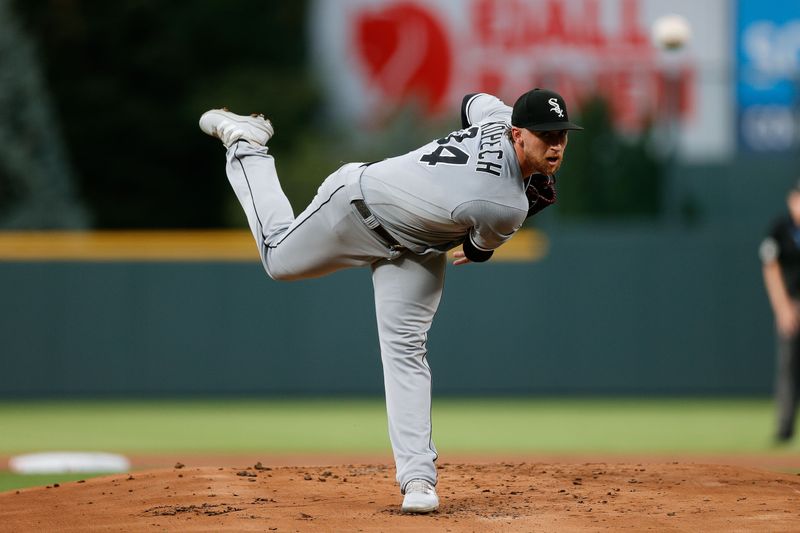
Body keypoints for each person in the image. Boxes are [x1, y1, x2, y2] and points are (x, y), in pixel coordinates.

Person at [199, 88, 583, 513]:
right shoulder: (504, 204)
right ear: (518, 134)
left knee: (406, 351)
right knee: (277, 260)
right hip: (356, 207)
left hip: (417, 248)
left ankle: (417, 479)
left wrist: (477, 148)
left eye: (562, 134)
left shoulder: (496, 119)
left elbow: (472, 99)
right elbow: (476, 249)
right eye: (545, 135)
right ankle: (247, 145)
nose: (556, 144)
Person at [760, 180, 800, 444]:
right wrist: (784, 308)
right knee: (788, 367)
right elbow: (770, 268)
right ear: (792, 200)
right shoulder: (780, 229)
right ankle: (784, 429)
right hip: (790, 308)